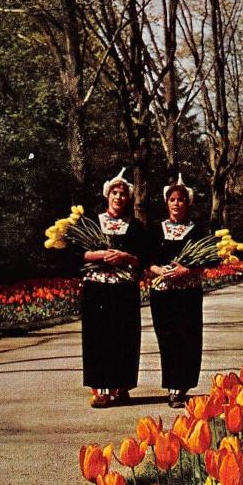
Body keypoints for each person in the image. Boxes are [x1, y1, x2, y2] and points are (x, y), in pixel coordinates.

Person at [82, 168, 146, 408]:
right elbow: (79, 254)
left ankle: (121, 387)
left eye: (123, 194)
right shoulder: (92, 223)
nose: (118, 197)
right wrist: (100, 254)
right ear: (107, 195)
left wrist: (126, 257)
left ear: (128, 198)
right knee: (99, 338)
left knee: (124, 338)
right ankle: (101, 388)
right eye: (115, 193)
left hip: (124, 290)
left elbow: (143, 258)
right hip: (97, 289)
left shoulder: (136, 226)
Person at [148, 175, 204, 408]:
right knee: (168, 340)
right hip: (162, 294)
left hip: (188, 293)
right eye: (172, 199)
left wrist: (187, 270)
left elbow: (207, 261)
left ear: (188, 203)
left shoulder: (198, 230)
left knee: (188, 338)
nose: (176, 203)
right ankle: (171, 386)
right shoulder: (155, 230)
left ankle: (182, 386)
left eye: (181, 199)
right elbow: (147, 261)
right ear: (166, 202)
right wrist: (159, 270)